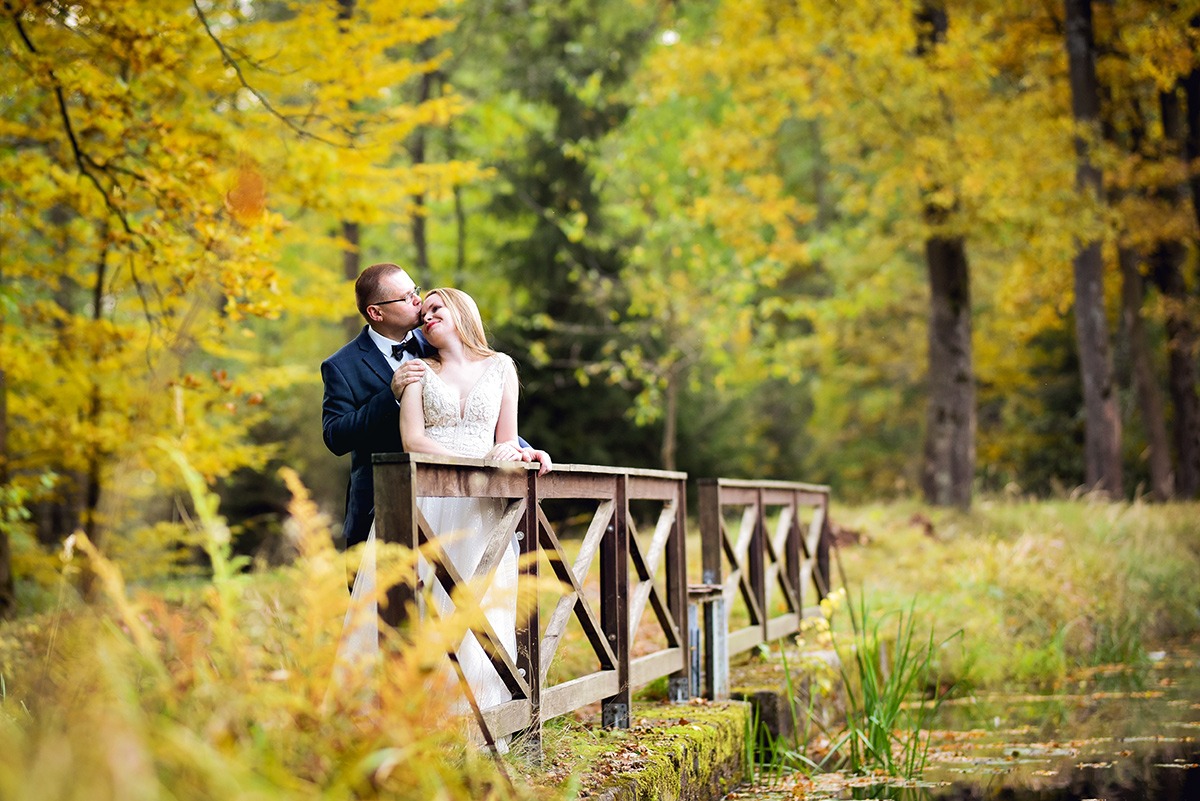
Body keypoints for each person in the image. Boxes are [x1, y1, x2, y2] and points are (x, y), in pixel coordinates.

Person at [321, 262, 549, 548]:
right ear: (375, 312)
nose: (418, 301)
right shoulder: (341, 366)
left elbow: (470, 414)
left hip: (468, 497)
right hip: (381, 501)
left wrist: (522, 450)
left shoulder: (436, 337)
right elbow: (335, 436)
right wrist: (389, 397)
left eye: (414, 290)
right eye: (406, 298)